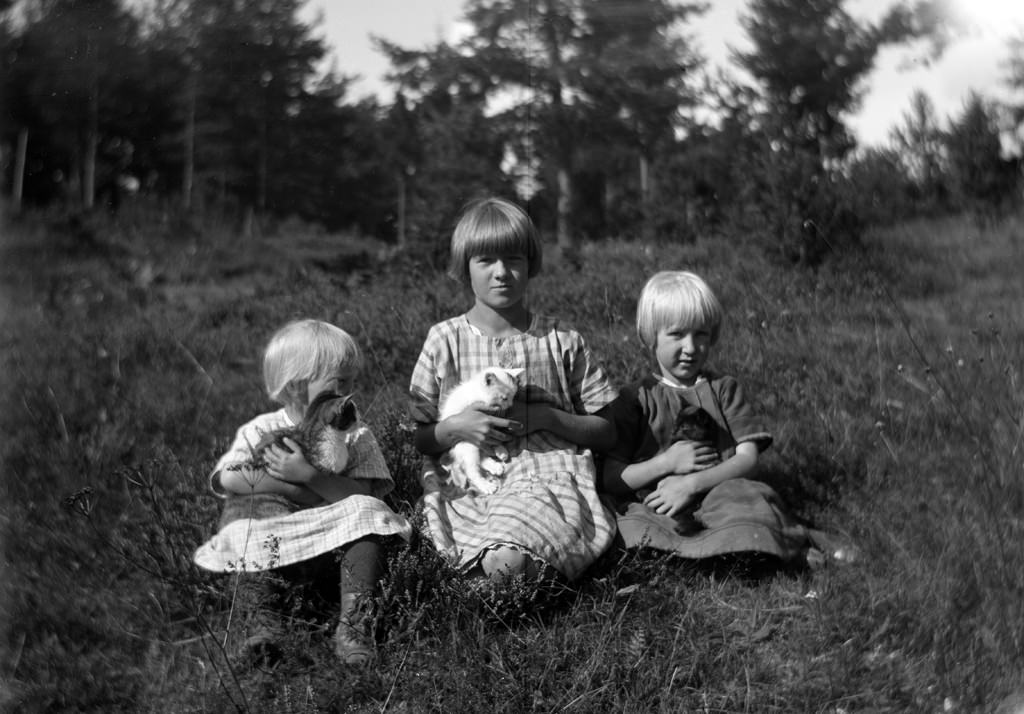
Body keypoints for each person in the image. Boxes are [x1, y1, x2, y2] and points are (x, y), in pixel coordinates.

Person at [409, 197, 618, 583]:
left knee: (507, 563)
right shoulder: (444, 340)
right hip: (468, 478)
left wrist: (544, 417)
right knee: (497, 565)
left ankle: (514, 573)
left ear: (531, 263)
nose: (501, 273)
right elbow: (421, 437)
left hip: (549, 477)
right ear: (464, 267)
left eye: (514, 260)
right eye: (485, 260)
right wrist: (458, 429)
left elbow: (607, 431)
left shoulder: (561, 339)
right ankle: (508, 580)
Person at [193, 319, 412, 666]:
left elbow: (368, 495)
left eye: (352, 380)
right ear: (296, 386)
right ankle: (265, 627)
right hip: (277, 547)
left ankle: (355, 626)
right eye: (340, 382)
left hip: (334, 551)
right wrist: (285, 483)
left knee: (370, 513)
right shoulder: (261, 429)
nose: (350, 391)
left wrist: (310, 476)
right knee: (241, 523)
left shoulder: (356, 434)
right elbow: (229, 477)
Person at [600, 271, 852, 566]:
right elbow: (611, 476)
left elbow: (747, 459)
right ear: (650, 336)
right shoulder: (635, 399)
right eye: (677, 334)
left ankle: (789, 543)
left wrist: (692, 483)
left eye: (701, 334)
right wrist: (667, 463)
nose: (691, 348)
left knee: (750, 499)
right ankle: (749, 546)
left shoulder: (724, 389)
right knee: (629, 524)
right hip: (660, 501)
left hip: (720, 493)